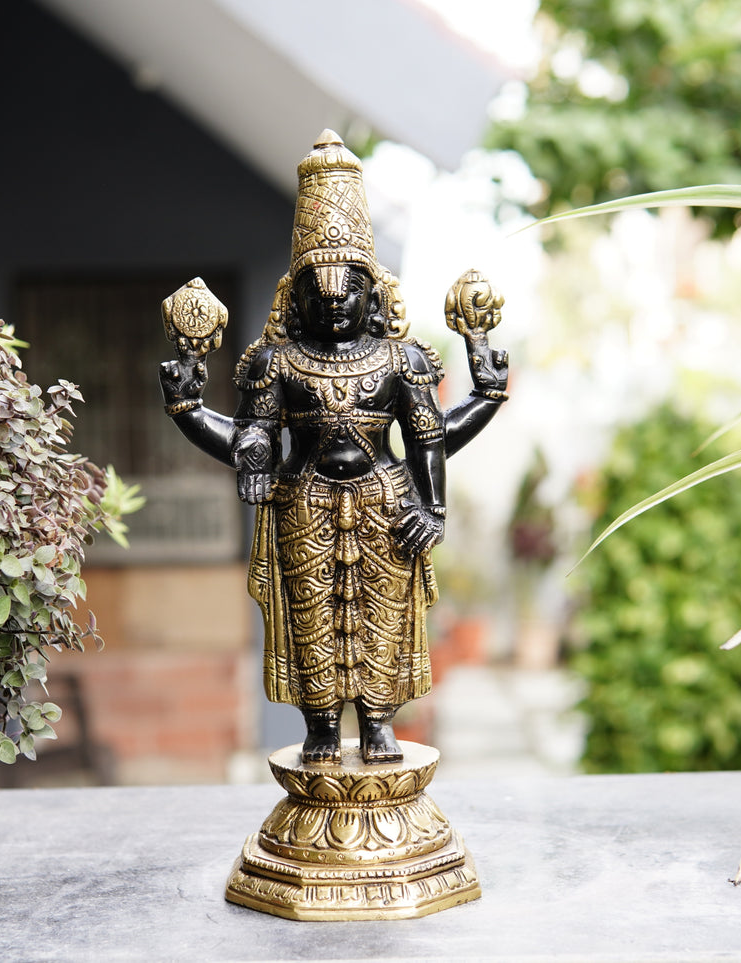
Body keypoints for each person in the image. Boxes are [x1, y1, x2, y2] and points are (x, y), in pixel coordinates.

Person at [159, 131, 507, 765]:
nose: (336, 303)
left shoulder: (401, 360)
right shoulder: (277, 362)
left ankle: (378, 722)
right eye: (319, 295)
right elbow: (251, 443)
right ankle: (321, 726)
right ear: (297, 298)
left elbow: (429, 438)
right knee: (312, 613)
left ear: (373, 293)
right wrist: (187, 409)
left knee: (383, 612)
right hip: (305, 505)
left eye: (349, 292)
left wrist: (436, 502)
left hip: (386, 504)